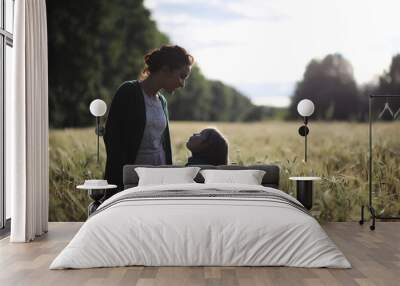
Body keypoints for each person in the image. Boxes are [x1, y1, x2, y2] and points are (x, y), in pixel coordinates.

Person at [103, 45, 194, 195]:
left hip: (158, 181)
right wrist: (123, 182)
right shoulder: (128, 91)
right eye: (181, 76)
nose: (182, 84)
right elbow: (112, 138)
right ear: (165, 69)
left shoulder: (162, 101)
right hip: (132, 182)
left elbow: (163, 145)